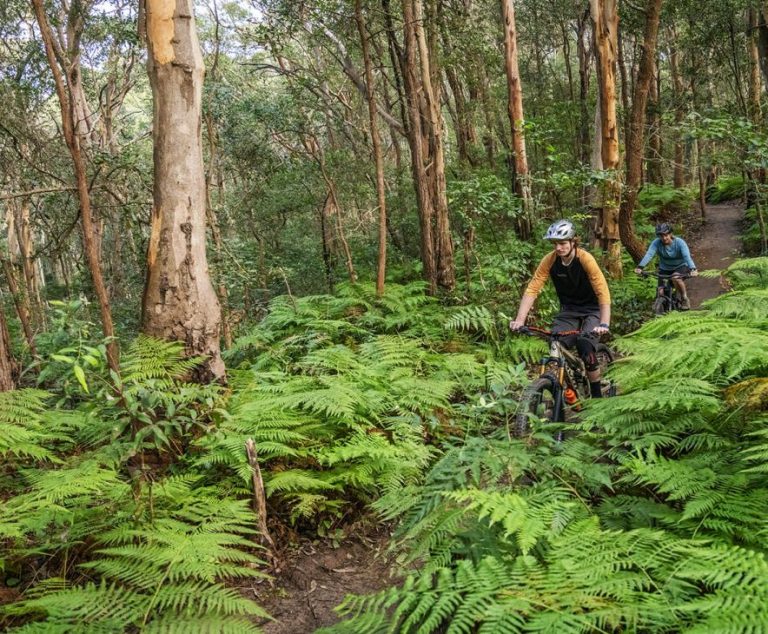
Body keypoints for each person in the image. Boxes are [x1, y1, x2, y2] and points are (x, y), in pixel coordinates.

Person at [509, 219, 611, 399]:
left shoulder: (585, 259)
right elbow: (533, 288)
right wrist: (520, 320)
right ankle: (562, 393)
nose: (558, 248)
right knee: (555, 341)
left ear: (573, 242)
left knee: (585, 347)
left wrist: (604, 322)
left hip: (592, 309)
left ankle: (597, 398)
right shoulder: (549, 260)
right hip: (569, 310)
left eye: (563, 243)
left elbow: (602, 291)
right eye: (555, 244)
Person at [633, 222, 698, 310]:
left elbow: (686, 256)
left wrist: (693, 268)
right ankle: (661, 308)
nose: (664, 238)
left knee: (676, 278)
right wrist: (640, 267)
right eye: (661, 236)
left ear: (670, 234)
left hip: (681, 266)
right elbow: (649, 254)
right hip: (665, 268)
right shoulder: (656, 243)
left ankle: (684, 298)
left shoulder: (679, 243)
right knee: (660, 292)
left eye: (666, 235)